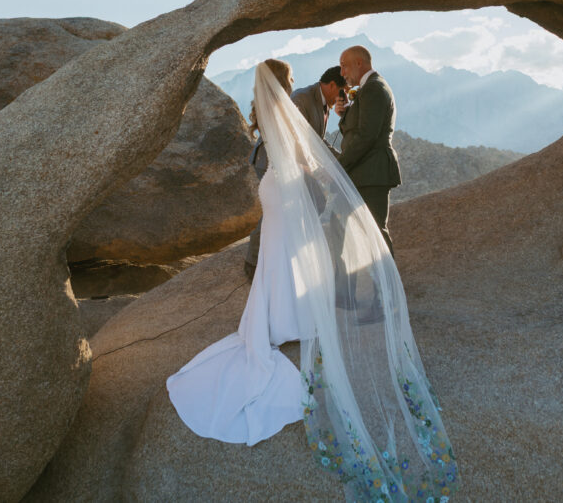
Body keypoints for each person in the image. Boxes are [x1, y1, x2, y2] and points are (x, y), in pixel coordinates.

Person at [167, 59, 459, 502]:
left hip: (273, 187)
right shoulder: (293, 103)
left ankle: (279, 315)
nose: (292, 82)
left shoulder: (272, 105)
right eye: (288, 77)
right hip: (284, 188)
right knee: (285, 252)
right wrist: (325, 175)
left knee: (277, 256)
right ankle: (293, 317)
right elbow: (301, 155)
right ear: (283, 81)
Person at [243, 66, 347, 279]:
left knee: (315, 201)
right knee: (276, 208)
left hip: (292, 161)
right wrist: (315, 170)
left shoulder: (325, 104)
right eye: (343, 91)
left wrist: (341, 160)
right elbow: (296, 140)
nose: (344, 96)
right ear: (332, 85)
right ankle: (253, 261)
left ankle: (288, 246)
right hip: (272, 158)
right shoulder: (302, 99)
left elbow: (318, 141)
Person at [336, 46, 401, 253]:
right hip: (365, 173)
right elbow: (361, 129)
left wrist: (338, 166)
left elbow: (367, 136)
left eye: (344, 66)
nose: (342, 73)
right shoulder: (369, 88)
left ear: (359, 63)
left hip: (372, 174)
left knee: (376, 232)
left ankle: (388, 285)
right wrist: (345, 113)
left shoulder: (373, 88)